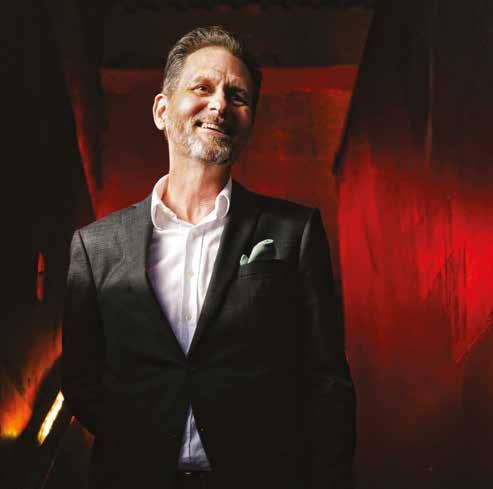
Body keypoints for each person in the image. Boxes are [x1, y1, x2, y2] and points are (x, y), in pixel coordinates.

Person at [62, 25, 356, 489]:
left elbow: (327, 381)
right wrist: (142, 439)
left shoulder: (294, 232)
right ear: (162, 110)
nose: (220, 104)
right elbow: (80, 381)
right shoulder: (94, 247)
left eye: (237, 96)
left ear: (249, 122)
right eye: (202, 87)